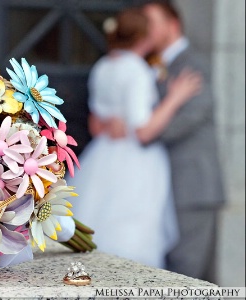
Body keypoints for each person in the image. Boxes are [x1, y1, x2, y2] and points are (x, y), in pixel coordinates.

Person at [93, 2, 225, 282]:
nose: (145, 27)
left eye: (150, 21)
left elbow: (191, 117)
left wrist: (135, 128)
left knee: (186, 272)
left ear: (173, 24)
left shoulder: (193, 64)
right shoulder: (143, 65)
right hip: (152, 183)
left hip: (190, 185)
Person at [67, 7, 202, 269]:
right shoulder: (136, 70)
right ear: (144, 38)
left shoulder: (103, 66)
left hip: (103, 156)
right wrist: (174, 99)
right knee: (133, 231)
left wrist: (115, 123)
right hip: (135, 162)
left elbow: (96, 125)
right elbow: (143, 131)